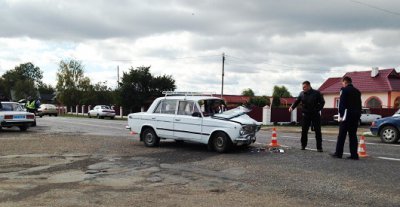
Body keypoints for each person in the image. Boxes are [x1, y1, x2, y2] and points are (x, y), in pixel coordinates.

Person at [331, 76, 362, 160]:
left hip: (346, 116)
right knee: (353, 136)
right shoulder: (357, 91)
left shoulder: (343, 90)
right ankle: (354, 155)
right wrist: (358, 115)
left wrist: (341, 116)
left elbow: (342, 104)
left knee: (341, 136)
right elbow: (359, 105)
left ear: (345, 82)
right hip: (355, 116)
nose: (342, 84)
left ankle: (338, 153)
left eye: (342, 82)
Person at [289, 81, 325, 152]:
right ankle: (303, 145)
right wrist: (292, 107)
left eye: (304, 87)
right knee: (304, 131)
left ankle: (319, 147)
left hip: (315, 114)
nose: (303, 88)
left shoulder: (316, 93)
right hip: (306, 114)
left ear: (309, 86)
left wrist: (317, 109)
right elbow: (297, 101)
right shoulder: (301, 94)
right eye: (302, 87)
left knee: (318, 131)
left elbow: (322, 102)